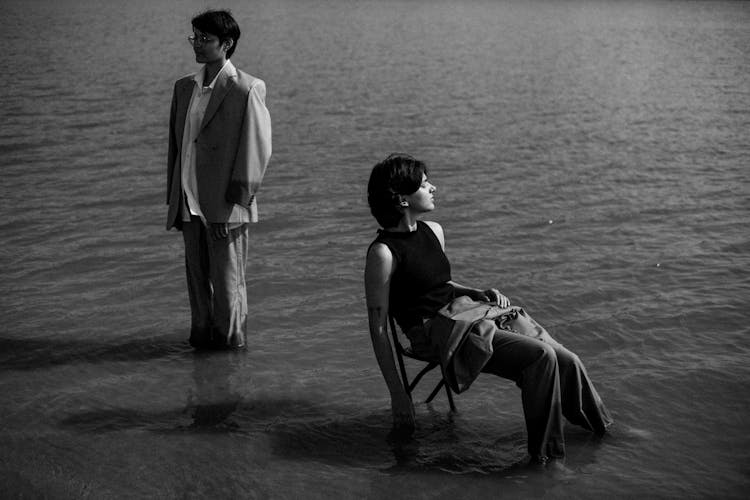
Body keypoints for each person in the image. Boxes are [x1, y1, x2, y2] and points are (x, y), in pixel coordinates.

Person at [364, 154, 612, 464]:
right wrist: (398, 394)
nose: (433, 187)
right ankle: (546, 460)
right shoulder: (383, 253)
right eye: (425, 184)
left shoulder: (434, 231)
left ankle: (601, 429)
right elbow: (378, 327)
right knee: (540, 357)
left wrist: (477, 292)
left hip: (467, 311)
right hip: (434, 332)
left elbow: (439, 284)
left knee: (567, 358)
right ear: (402, 199)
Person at [166, 9, 272, 350]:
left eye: (204, 39)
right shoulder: (184, 88)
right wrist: (176, 201)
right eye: (194, 37)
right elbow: (177, 146)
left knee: (228, 290)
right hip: (188, 202)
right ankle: (203, 361)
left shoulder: (247, 88)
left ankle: (230, 357)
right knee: (198, 289)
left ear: (226, 44)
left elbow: (256, 152)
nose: (196, 44)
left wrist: (233, 206)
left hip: (224, 206)